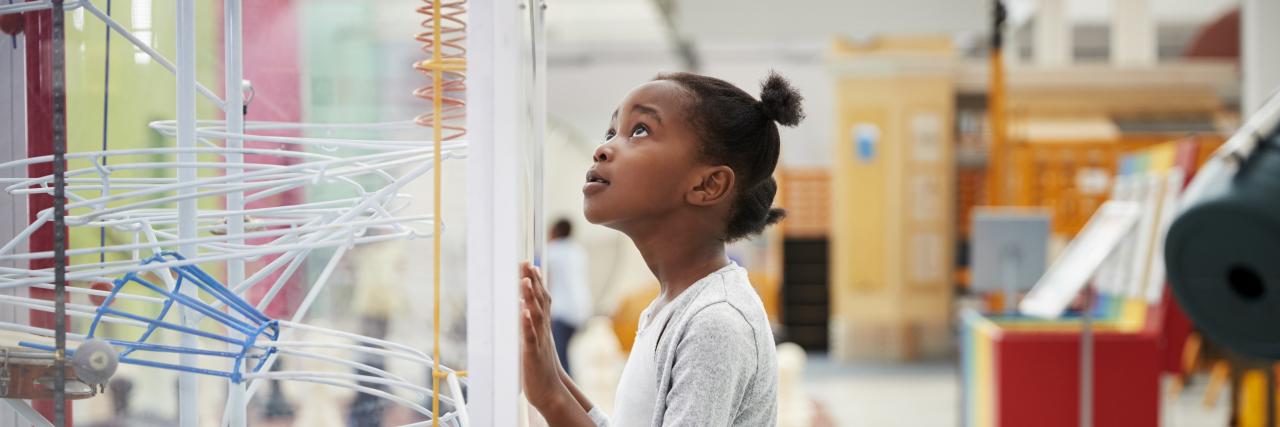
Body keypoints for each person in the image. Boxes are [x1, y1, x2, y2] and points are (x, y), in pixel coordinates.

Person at [519, 71, 803, 426]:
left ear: (708, 184)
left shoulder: (715, 322)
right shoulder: (673, 306)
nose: (602, 148)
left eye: (639, 130)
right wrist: (554, 378)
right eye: (611, 132)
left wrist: (552, 398)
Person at [546, 218, 593, 375]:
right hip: (582, 308)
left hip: (562, 310)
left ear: (555, 231)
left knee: (559, 355)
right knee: (565, 352)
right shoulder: (578, 250)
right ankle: (570, 386)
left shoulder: (552, 251)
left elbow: (548, 281)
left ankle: (567, 390)